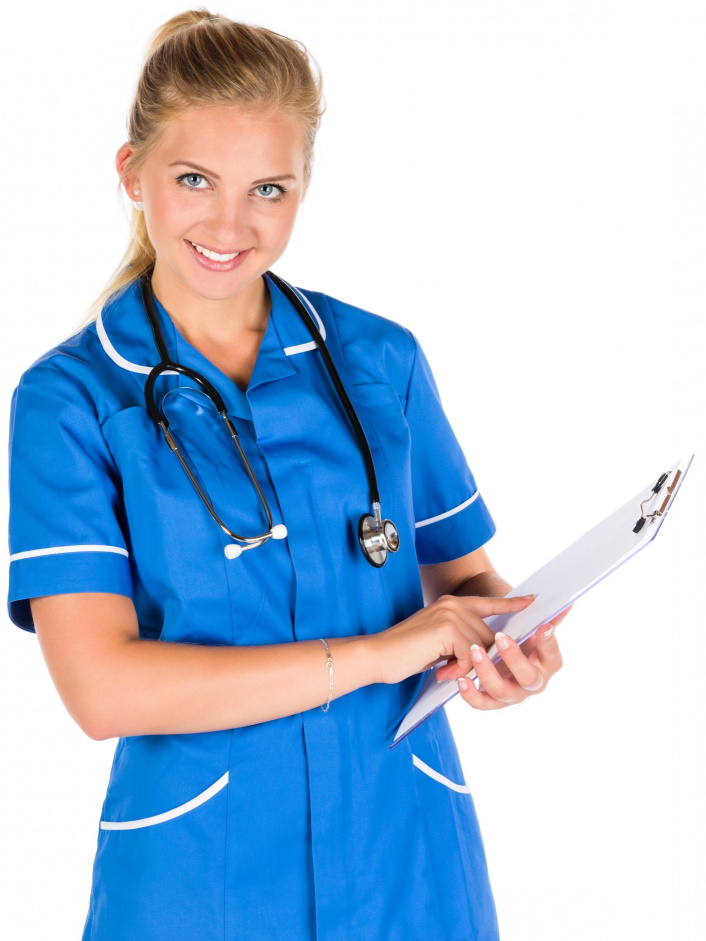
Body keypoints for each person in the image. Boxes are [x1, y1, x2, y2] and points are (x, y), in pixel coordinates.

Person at [7, 9, 565, 941]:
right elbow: (101, 692)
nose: (230, 224)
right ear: (132, 172)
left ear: (304, 187)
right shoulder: (69, 399)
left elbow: (463, 581)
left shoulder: (379, 361)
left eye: (268, 188)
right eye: (195, 180)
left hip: (407, 853)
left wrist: (509, 648)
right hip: (202, 879)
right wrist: (382, 654)